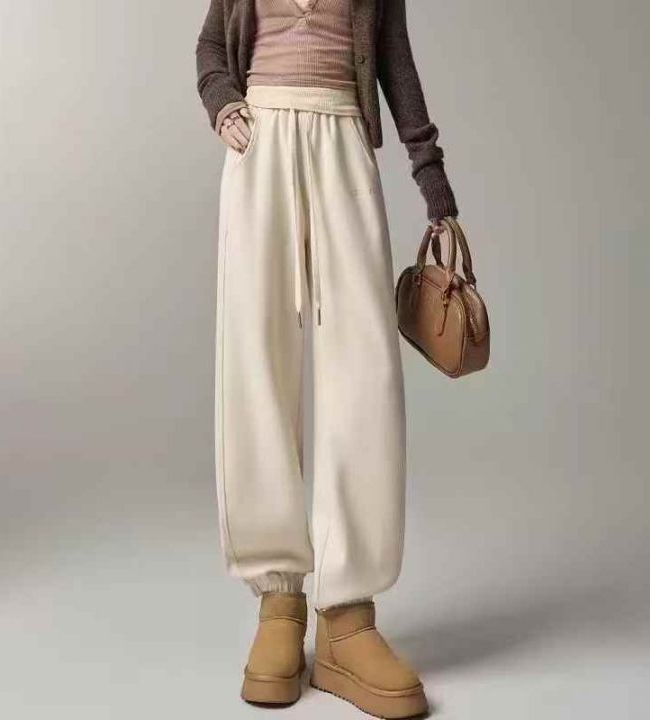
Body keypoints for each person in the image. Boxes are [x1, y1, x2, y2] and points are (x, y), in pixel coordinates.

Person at [195, 1, 458, 716]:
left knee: (364, 370)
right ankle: (279, 602)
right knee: (255, 364)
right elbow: (212, 47)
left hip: (343, 135)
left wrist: (428, 170)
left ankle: (347, 618)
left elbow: (394, 57)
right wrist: (222, 101)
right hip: (260, 145)